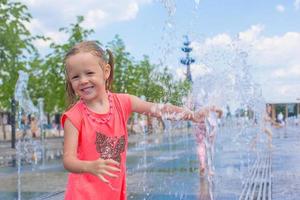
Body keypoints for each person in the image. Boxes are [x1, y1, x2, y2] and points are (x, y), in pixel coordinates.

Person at [61, 41, 217, 200]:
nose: (83, 80)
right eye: (75, 77)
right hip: (82, 195)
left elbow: (159, 109)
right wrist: (90, 166)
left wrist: (192, 115)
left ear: (106, 71)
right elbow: (68, 160)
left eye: (89, 73)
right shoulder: (74, 117)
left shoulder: (122, 102)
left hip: (113, 192)